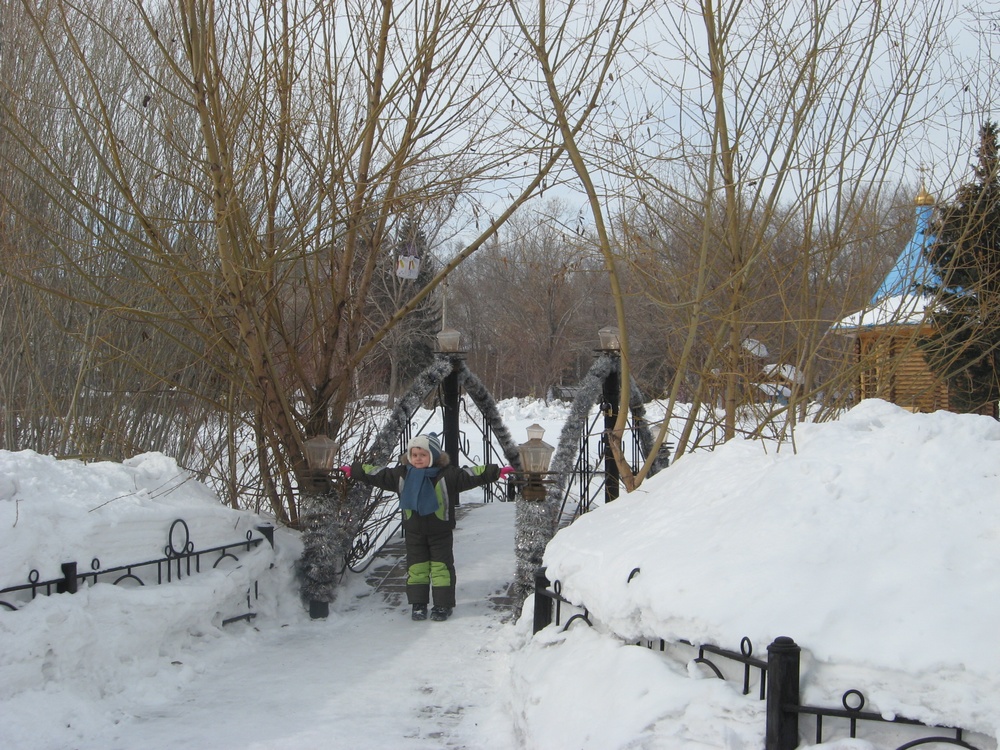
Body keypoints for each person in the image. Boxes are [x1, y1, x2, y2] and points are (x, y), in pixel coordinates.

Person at [342, 433, 514, 621]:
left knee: (441, 568)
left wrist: (496, 472)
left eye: (422, 455)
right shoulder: (402, 475)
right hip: (414, 532)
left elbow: (471, 474)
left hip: (440, 532)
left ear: (433, 456)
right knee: (417, 568)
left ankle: (442, 605)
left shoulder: (447, 475)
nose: (417, 459)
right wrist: (355, 470)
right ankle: (418, 604)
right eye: (414, 455)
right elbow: (378, 474)